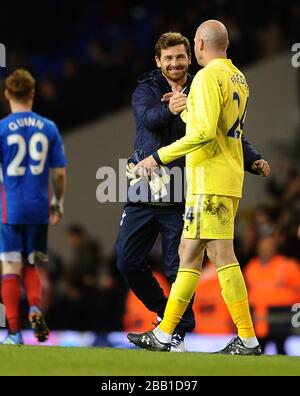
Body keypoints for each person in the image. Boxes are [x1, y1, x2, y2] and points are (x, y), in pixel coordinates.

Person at [117, 32, 269, 352]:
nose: (175, 63)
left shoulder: (204, 79)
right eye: (167, 58)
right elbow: (211, 125)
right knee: (191, 254)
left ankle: (241, 337)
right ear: (158, 62)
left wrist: (158, 157)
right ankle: (167, 331)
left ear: (196, 48)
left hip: (203, 181)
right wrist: (179, 111)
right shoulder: (237, 77)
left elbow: (202, 132)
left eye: (180, 56)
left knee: (211, 256)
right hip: (205, 182)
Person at [0, 69, 67, 345]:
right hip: (39, 208)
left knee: (10, 266)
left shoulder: (2, 128)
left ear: (7, 94)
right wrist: (58, 202)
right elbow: (59, 172)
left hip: (10, 207)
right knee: (31, 263)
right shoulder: (48, 127)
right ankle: (36, 308)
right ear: (32, 94)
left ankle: (14, 332)